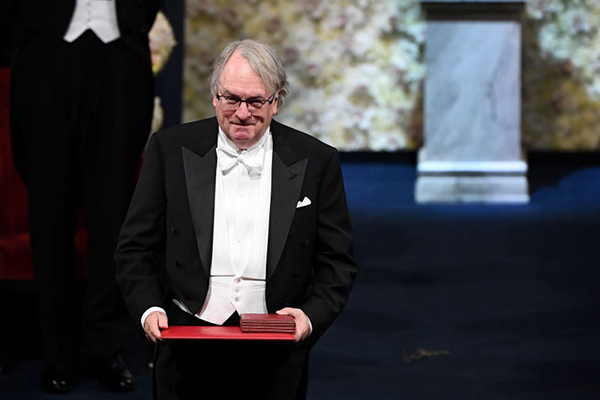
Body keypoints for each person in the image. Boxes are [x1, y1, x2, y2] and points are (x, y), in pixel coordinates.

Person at [115, 39, 358, 399]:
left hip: (275, 344)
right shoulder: (169, 149)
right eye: (231, 99)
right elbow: (134, 248)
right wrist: (149, 307)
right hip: (187, 339)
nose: (242, 113)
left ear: (276, 101)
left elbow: (338, 261)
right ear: (215, 96)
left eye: (256, 101)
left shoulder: (317, 161)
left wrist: (309, 317)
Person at [8, 0, 159, 393]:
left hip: (121, 60)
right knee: (50, 217)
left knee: (113, 220)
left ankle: (104, 348)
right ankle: (58, 352)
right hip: (47, 58)